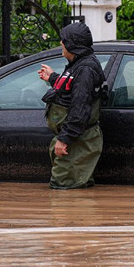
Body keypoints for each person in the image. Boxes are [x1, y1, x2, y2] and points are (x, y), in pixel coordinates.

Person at [38, 22, 105, 189]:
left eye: (64, 40)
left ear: (72, 45)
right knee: (74, 188)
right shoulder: (79, 65)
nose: (61, 43)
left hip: (77, 141)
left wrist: (64, 138)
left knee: (64, 190)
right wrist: (52, 78)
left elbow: (80, 108)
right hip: (76, 139)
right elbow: (71, 87)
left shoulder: (85, 69)